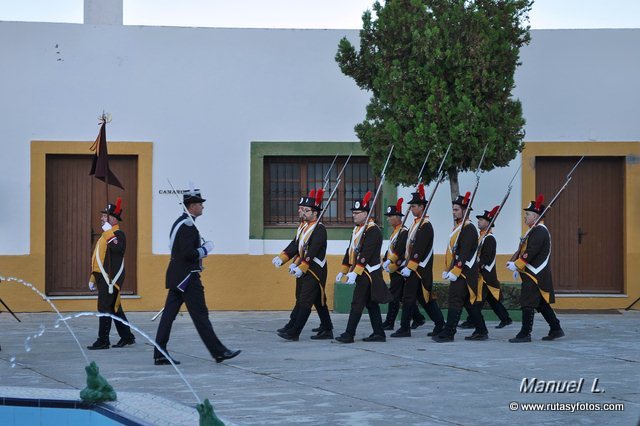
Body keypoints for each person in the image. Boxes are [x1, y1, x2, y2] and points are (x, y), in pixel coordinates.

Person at [153, 189, 241, 365]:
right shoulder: (188, 225)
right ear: (192, 206)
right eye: (200, 204)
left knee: (168, 316)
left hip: (177, 276)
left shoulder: (183, 222)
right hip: (188, 279)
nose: (202, 207)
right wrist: (204, 250)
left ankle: (160, 353)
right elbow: (187, 253)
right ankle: (219, 352)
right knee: (200, 315)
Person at [273, 191, 334, 340]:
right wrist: (283, 258)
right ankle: (327, 328)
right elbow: (296, 245)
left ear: (315, 212)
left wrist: (302, 266)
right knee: (317, 300)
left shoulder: (319, 228)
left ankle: (294, 331)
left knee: (305, 300)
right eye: (302, 209)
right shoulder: (303, 226)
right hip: (304, 267)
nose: (302, 212)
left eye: (306, 210)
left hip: (314, 269)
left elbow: (313, 250)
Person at [335, 192, 392, 343]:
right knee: (371, 304)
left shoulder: (373, 230)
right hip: (361, 272)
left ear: (366, 213)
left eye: (356, 213)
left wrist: (355, 272)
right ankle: (379, 333)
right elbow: (350, 251)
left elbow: (366, 253)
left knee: (357, 302)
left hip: (368, 273)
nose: (353, 215)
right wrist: (344, 270)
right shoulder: (357, 230)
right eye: (353, 212)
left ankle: (349, 334)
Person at [507, 195, 565, 343]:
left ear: (535, 216)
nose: (525, 217)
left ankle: (525, 333)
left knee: (527, 302)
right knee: (540, 304)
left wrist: (517, 264)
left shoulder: (539, 230)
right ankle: (556, 328)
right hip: (531, 272)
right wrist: (516, 266)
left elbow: (530, 252)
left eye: (527, 214)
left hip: (535, 273)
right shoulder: (533, 230)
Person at [391, 186, 445, 338]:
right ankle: (440, 324)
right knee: (422, 299)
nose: (412, 208)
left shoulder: (426, 226)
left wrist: (410, 266)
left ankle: (405, 328)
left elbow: (419, 249)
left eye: (414, 206)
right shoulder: (416, 224)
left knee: (415, 298)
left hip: (419, 270)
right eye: (411, 206)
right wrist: (393, 260)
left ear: (422, 207)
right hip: (412, 268)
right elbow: (406, 246)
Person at [433, 192, 486, 343]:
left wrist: (456, 270)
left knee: (455, 299)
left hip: (464, 272)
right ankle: (481, 330)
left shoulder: (468, 229)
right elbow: (453, 251)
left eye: (456, 209)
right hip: (458, 270)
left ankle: (449, 332)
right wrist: (447, 269)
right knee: (469, 303)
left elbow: (464, 252)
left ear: (465, 210)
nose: (454, 212)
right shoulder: (458, 228)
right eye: (453, 209)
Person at [87, 198, 136, 350]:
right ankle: (127, 337)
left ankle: (103, 340)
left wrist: (108, 231)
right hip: (103, 277)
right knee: (114, 308)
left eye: (104, 216)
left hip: (111, 279)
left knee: (104, 307)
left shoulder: (118, 234)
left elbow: (118, 249)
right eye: (102, 216)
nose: (101, 218)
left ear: (113, 219)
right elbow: (99, 259)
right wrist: (93, 277)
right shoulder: (104, 235)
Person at [466, 207, 513, 340]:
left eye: (482, 220)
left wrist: (477, 268)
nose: (479, 221)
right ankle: (505, 318)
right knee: (493, 301)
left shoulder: (489, 238)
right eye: (479, 219)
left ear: (488, 222)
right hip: (481, 275)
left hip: (485, 276)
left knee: (476, 303)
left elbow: (486, 258)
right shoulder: (481, 237)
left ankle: (475, 324)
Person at [381, 198, 427, 331]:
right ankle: (418, 318)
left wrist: (391, 263)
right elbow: (391, 248)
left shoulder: (404, 231)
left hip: (400, 268)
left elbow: (401, 250)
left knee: (394, 295)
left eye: (391, 216)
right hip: (393, 268)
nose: (388, 219)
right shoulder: (395, 231)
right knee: (401, 296)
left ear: (397, 217)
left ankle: (390, 322)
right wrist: (385, 260)